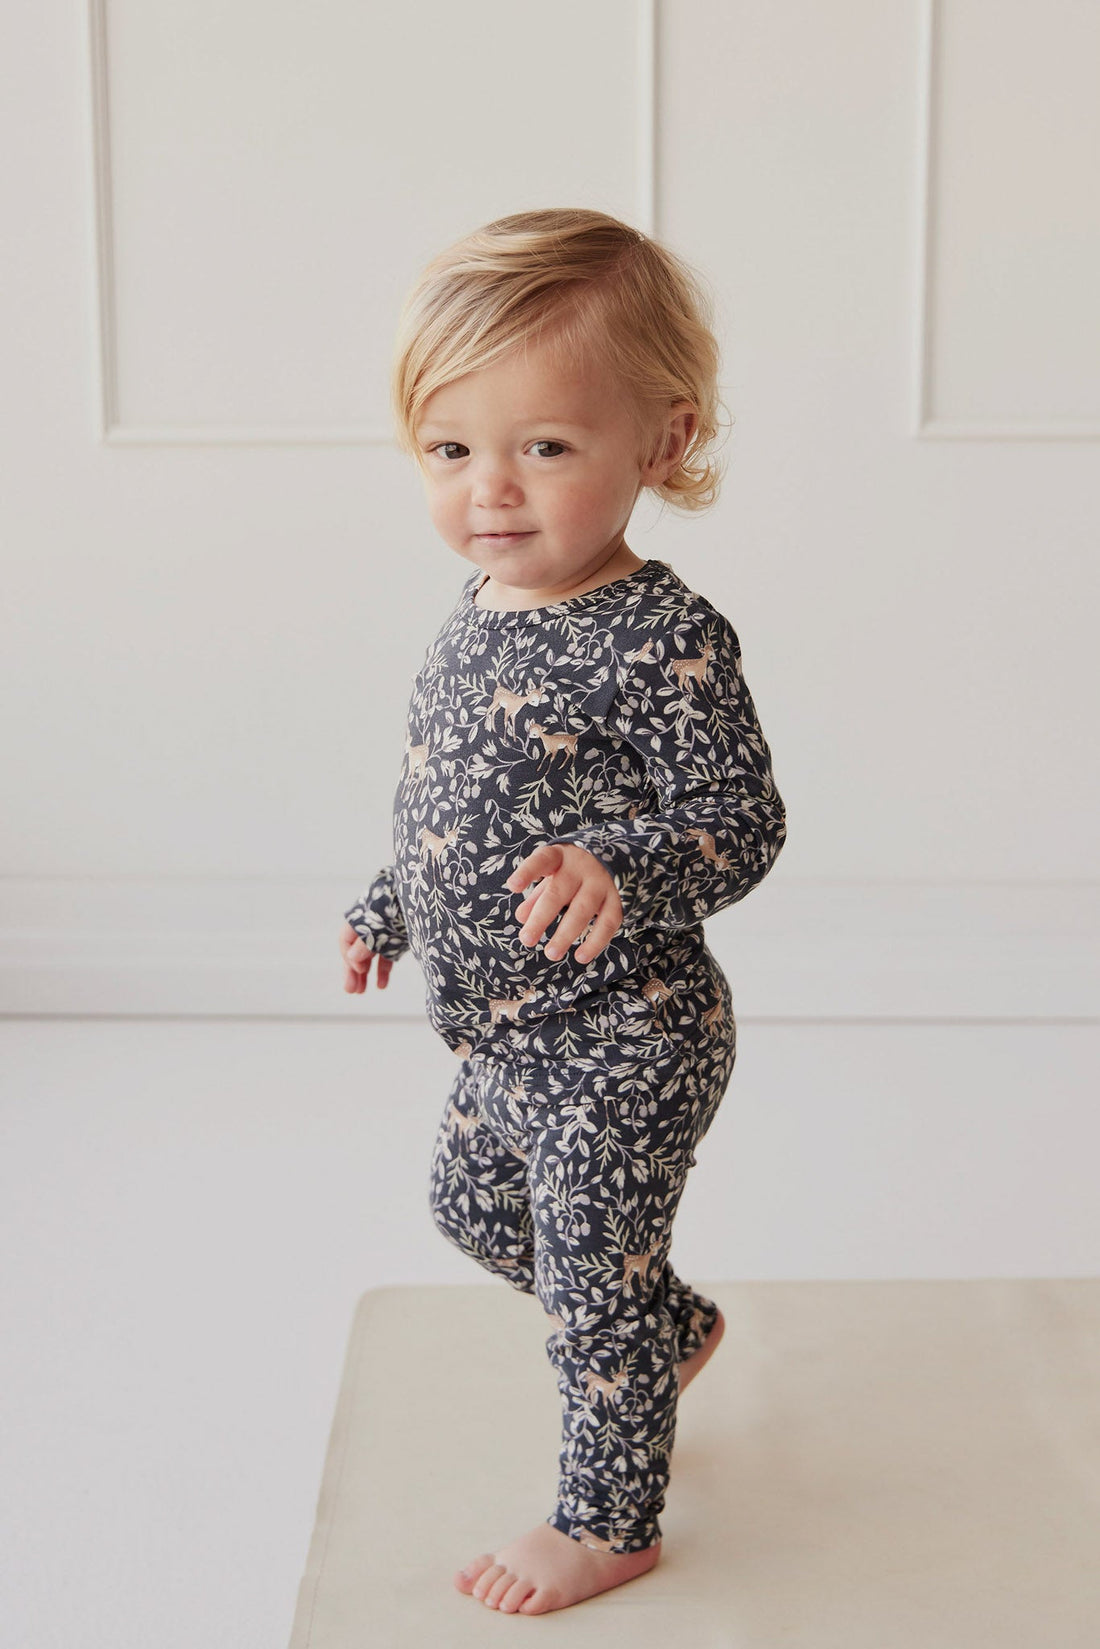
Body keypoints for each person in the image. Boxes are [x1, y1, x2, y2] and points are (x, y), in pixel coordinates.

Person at [338, 207, 787, 1615]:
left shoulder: (665, 637)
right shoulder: (477, 605)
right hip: (504, 1033)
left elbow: (743, 821)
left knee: (590, 1285)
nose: (491, 490)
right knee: (473, 1207)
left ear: (661, 440)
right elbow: (448, 800)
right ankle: (670, 1327)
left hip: (626, 1032)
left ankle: (608, 1518)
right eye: (449, 449)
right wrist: (389, 901)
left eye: (543, 446)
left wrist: (624, 866)